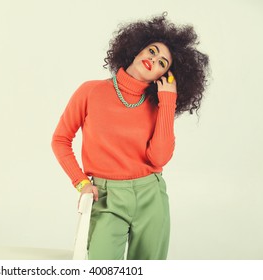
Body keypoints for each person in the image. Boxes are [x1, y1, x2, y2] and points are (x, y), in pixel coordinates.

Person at [51, 13, 210, 260]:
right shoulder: (90, 91)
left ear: (163, 76)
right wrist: (81, 182)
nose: (154, 59)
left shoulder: (158, 105)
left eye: (162, 63)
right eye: (152, 51)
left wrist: (168, 101)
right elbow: (60, 139)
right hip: (105, 196)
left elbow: (159, 157)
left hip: (151, 195)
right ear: (137, 50)